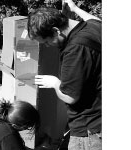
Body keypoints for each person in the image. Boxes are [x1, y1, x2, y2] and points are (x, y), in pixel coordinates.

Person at [27, 0, 101, 150]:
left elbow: (70, 96)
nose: (47, 46)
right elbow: (95, 20)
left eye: (47, 41)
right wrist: (75, 9)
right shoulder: (94, 27)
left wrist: (54, 82)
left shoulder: (75, 50)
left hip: (88, 130)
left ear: (55, 31)